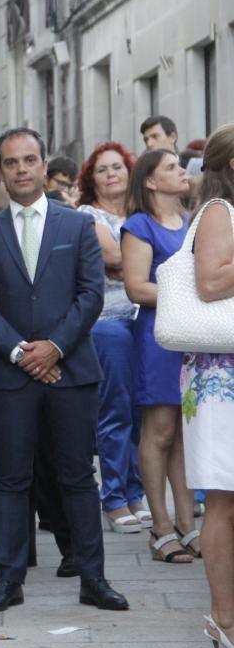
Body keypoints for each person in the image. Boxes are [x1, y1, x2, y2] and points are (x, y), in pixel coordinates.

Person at [0, 127, 128, 613]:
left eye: (29, 160)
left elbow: (91, 295)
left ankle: (93, 578)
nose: (21, 170)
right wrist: (22, 353)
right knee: (10, 478)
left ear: (42, 165)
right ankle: (7, 580)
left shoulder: (76, 226)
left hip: (71, 371)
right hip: (9, 376)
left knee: (78, 476)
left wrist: (54, 347)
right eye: (10, 163)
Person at [120, 148, 198, 563]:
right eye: (171, 167)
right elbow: (136, 287)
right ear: (150, 181)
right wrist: (195, 291)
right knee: (160, 430)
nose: (181, 171)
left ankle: (188, 525)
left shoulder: (192, 221)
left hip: (192, 334)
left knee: (185, 432)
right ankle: (160, 527)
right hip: (158, 335)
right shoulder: (139, 225)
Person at [179, 123, 234, 648]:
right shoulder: (220, 212)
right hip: (223, 378)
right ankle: (224, 619)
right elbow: (211, 281)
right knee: (223, 497)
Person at [74, 141, 148, 534]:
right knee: (115, 409)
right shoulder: (87, 216)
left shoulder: (142, 213)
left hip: (147, 319)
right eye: (102, 169)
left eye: (118, 166)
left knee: (142, 411)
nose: (111, 174)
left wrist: (135, 266)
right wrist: (140, 264)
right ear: (91, 179)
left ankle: (136, 492)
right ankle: (114, 496)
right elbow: (117, 260)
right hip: (108, 322)